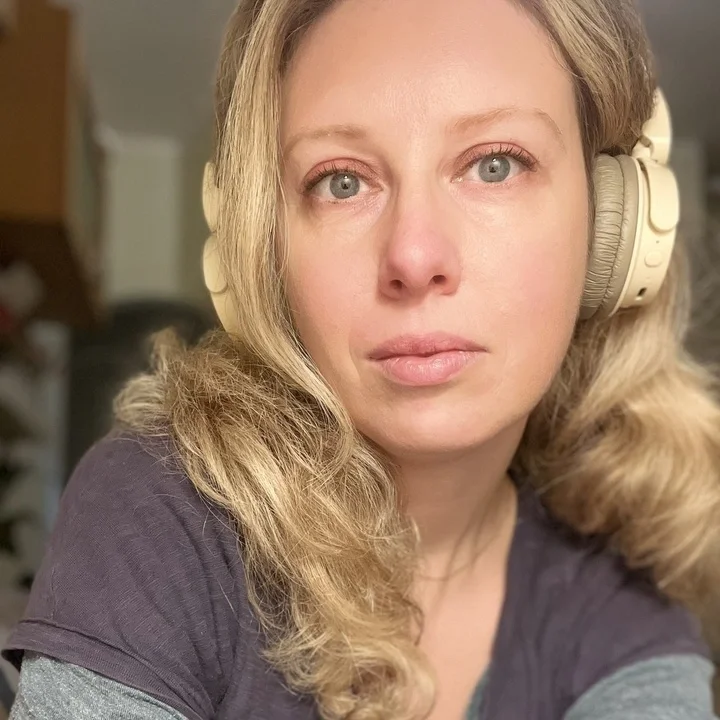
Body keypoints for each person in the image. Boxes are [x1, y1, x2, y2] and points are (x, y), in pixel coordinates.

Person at [3, 0, 720, 718]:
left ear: (612, 231)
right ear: (265, 252)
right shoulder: (162, 512)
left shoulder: (620, 591)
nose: (413, 255)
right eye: (340, 181)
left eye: (495, 164)